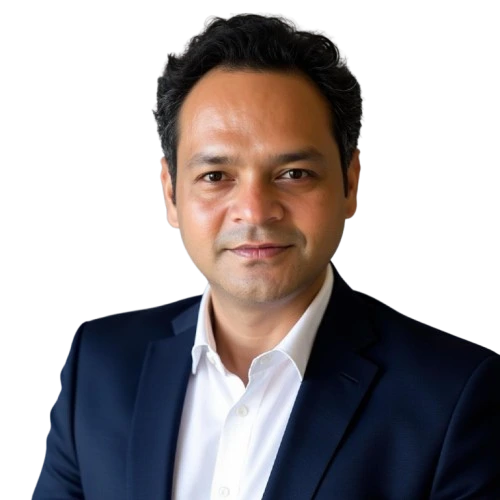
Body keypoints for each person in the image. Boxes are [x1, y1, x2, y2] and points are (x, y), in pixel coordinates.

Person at [32, 12, 499, 500]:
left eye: (294, 173)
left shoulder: (454, 396)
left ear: (350, 183)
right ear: (170, 193)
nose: (255, 211)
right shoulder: (101, 363)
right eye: (216, 176)